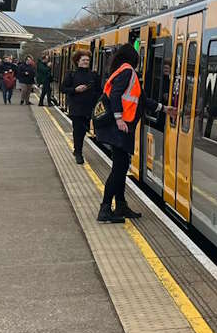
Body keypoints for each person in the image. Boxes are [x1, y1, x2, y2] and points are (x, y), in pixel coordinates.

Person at [96, 44, 170, 223]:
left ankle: (120, 205)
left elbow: (142, 99)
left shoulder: (125, 72)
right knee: (119, 169)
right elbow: (115, 95)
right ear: (133, 58)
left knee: (121, 168)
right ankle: (105, 209)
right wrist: (119, 118)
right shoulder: (128, 72)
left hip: (122, 129)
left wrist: (164, 108)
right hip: (119, 128)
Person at [61, 50, 99, 164]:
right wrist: (75, 90)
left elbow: (99, 90)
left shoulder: (94, 75)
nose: (86, 62)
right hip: (76, 108)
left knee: (84, 130)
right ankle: (78, 152)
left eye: (87, 60)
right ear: (78, 61)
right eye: (83, 60)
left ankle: (77, 149)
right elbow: (63, 89)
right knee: (78, 131)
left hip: (89, 108)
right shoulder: (71, 74)